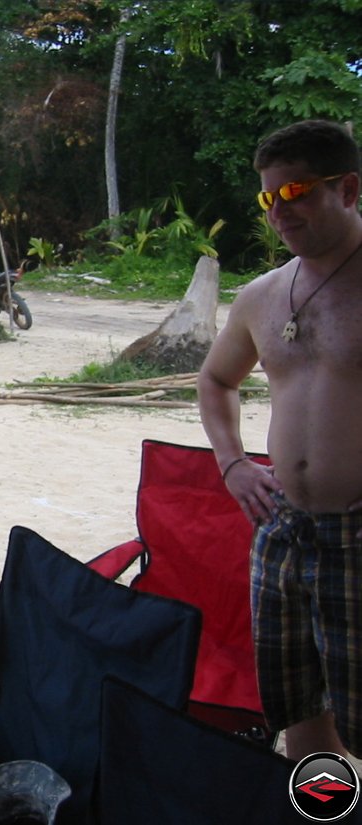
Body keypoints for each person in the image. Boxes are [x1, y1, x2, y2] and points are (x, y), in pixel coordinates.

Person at [197, 119, 362, 760]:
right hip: (283, 531)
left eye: (297, 191)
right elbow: (216, 380)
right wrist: (232, 461)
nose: (280, 211)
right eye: (270, 198)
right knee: (298, 706)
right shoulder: (261, 296)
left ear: (347, 188)